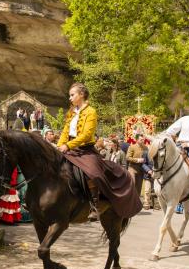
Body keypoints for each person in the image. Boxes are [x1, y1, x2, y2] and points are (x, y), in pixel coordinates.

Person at [57, 82, 141, 220]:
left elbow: (85, 135)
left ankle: (95, 206)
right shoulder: (71, 112)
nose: (70, 98)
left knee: (93, 173)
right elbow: (65, 131)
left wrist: (68, 146)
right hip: (69, 147)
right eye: (69, 95)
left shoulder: (91, 112)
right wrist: (60, 145)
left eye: (72, 95)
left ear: (82, 95)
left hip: (85, 149)